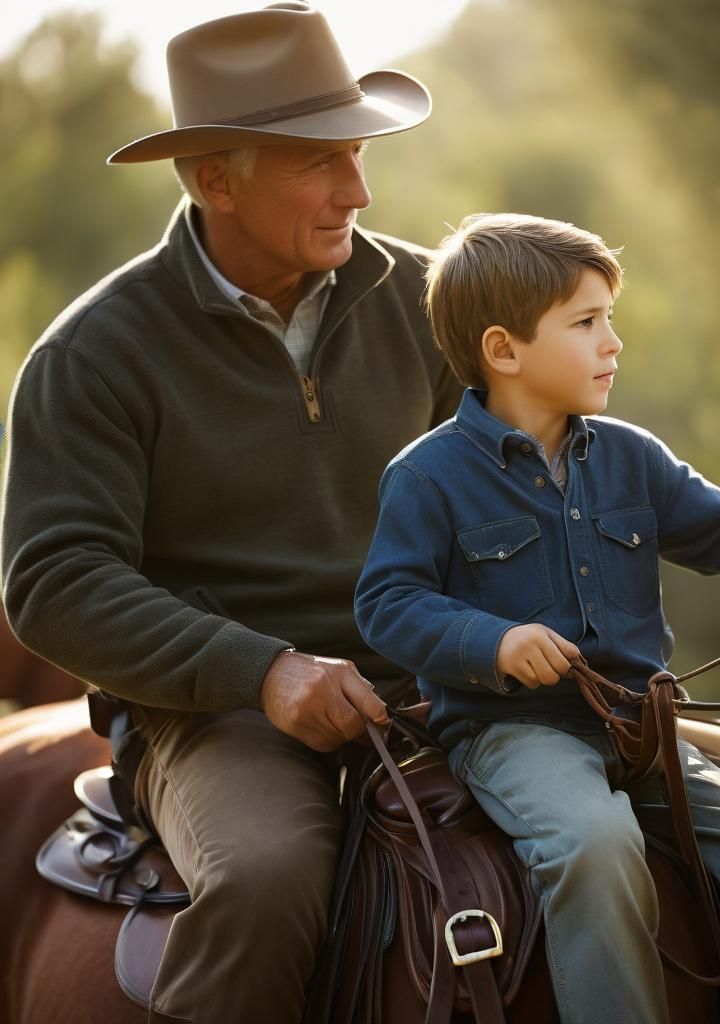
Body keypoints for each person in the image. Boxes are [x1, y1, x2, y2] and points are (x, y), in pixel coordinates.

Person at [0, 4, 461, 1022]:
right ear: (216, 180)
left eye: (358, 152)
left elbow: (504, 497)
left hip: (440, 682)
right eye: (319, 162)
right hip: (215, 715)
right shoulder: (92, 357)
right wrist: (266, 670)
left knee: (692, 843)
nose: (360, 189)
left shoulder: (434, 307)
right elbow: (55, 581)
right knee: (261, 879)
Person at [354, 213, 720, 1024]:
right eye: (586, 323)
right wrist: (494, 642)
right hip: (513, 735)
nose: (612, 342)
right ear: (504, 352)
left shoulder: (631, 456)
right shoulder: (426, 476)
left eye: (609, 319)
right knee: (594, 848)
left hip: (643, 730)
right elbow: (386, 604)